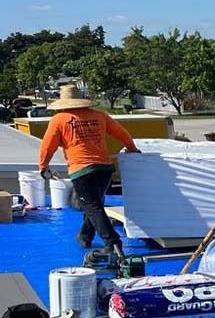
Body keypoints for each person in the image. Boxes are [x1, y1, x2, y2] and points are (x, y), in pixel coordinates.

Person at [37, 84, 140, 254]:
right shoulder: (100, 116)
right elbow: (123, 134)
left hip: (82, 170)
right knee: (94, 205)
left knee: (91, 206)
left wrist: (43, 166)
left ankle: (112, 242)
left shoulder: (59, 120)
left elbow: (48, 147)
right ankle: (85, 236)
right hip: (105, 169)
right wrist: (133, 150)